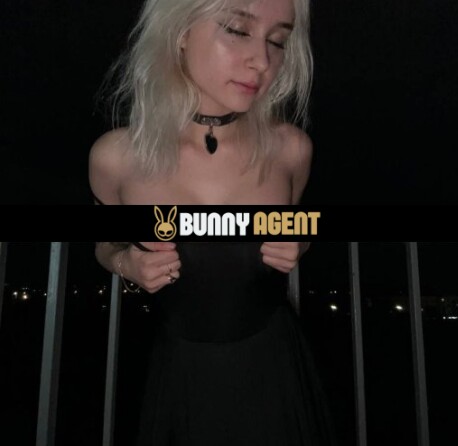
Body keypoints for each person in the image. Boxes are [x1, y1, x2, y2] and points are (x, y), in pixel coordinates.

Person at [89, 0, 337, 444]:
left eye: (278, 41)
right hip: (179, 380)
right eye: (238, 30)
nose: (262, 61)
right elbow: (105, 245)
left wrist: (300, 240)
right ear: (180, 31)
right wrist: (127, 263)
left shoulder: (290, 149)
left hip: (276, 374)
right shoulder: (116, 159)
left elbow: (300, 226)